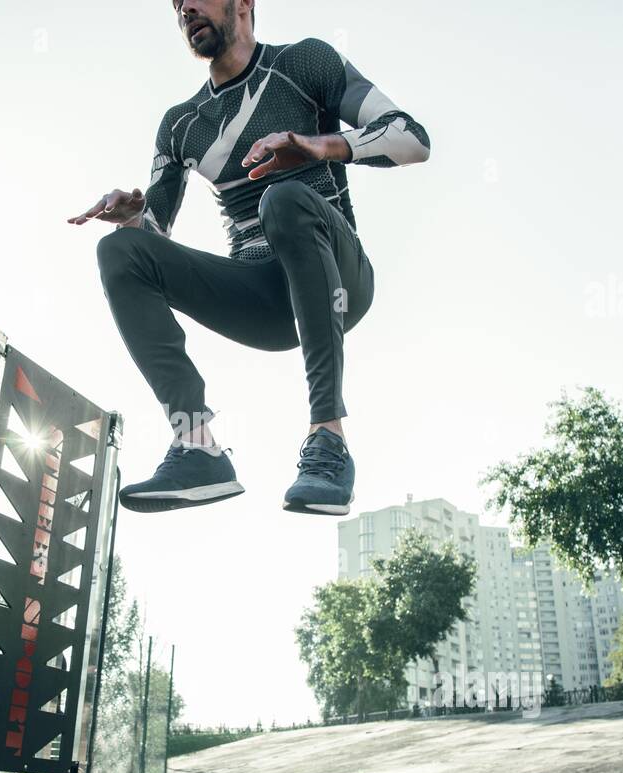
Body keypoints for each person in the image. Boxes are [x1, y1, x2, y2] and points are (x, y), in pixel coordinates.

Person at [69, 0, 430, 516]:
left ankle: (328, 440)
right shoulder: (181, 124)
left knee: (281, 198)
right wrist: (131, 219)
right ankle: (198, 446)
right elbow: (155, 235)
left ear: (243, 4)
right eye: (176, 4)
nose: (185, 8)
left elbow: (413, 139)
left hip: (339, 279)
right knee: (119, 251)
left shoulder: (306, 63)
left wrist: (317, 146)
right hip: (262, 301)